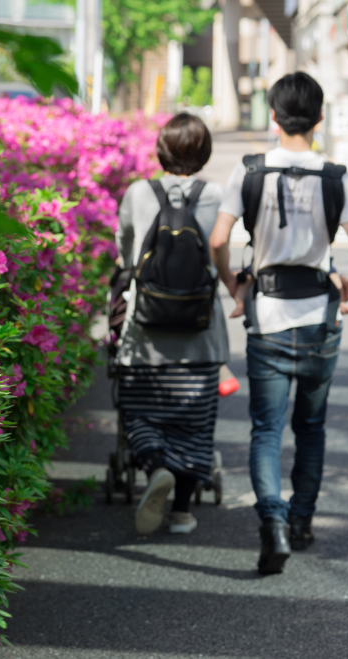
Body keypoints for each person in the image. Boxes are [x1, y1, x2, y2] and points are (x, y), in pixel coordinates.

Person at [210, 72, 348, 575]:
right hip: (320, 314)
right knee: (312, 427)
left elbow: (219, 241)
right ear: (319, 118)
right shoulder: (338, 176)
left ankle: (272, 523)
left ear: (274, 117)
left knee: (265, 429)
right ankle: (301, 522)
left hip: (267, 315)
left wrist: (233, 285)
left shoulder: (248, 172)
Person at [116, 112, 230, 536]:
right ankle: (182, 511)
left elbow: (125, 256)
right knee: (195, 423)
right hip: (201, 334)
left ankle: (155, 467)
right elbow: (222, 252)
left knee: (138, 413)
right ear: (204, 152)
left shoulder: (138, 193)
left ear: (161, 150)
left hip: (145, 332)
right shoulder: (217, 195)